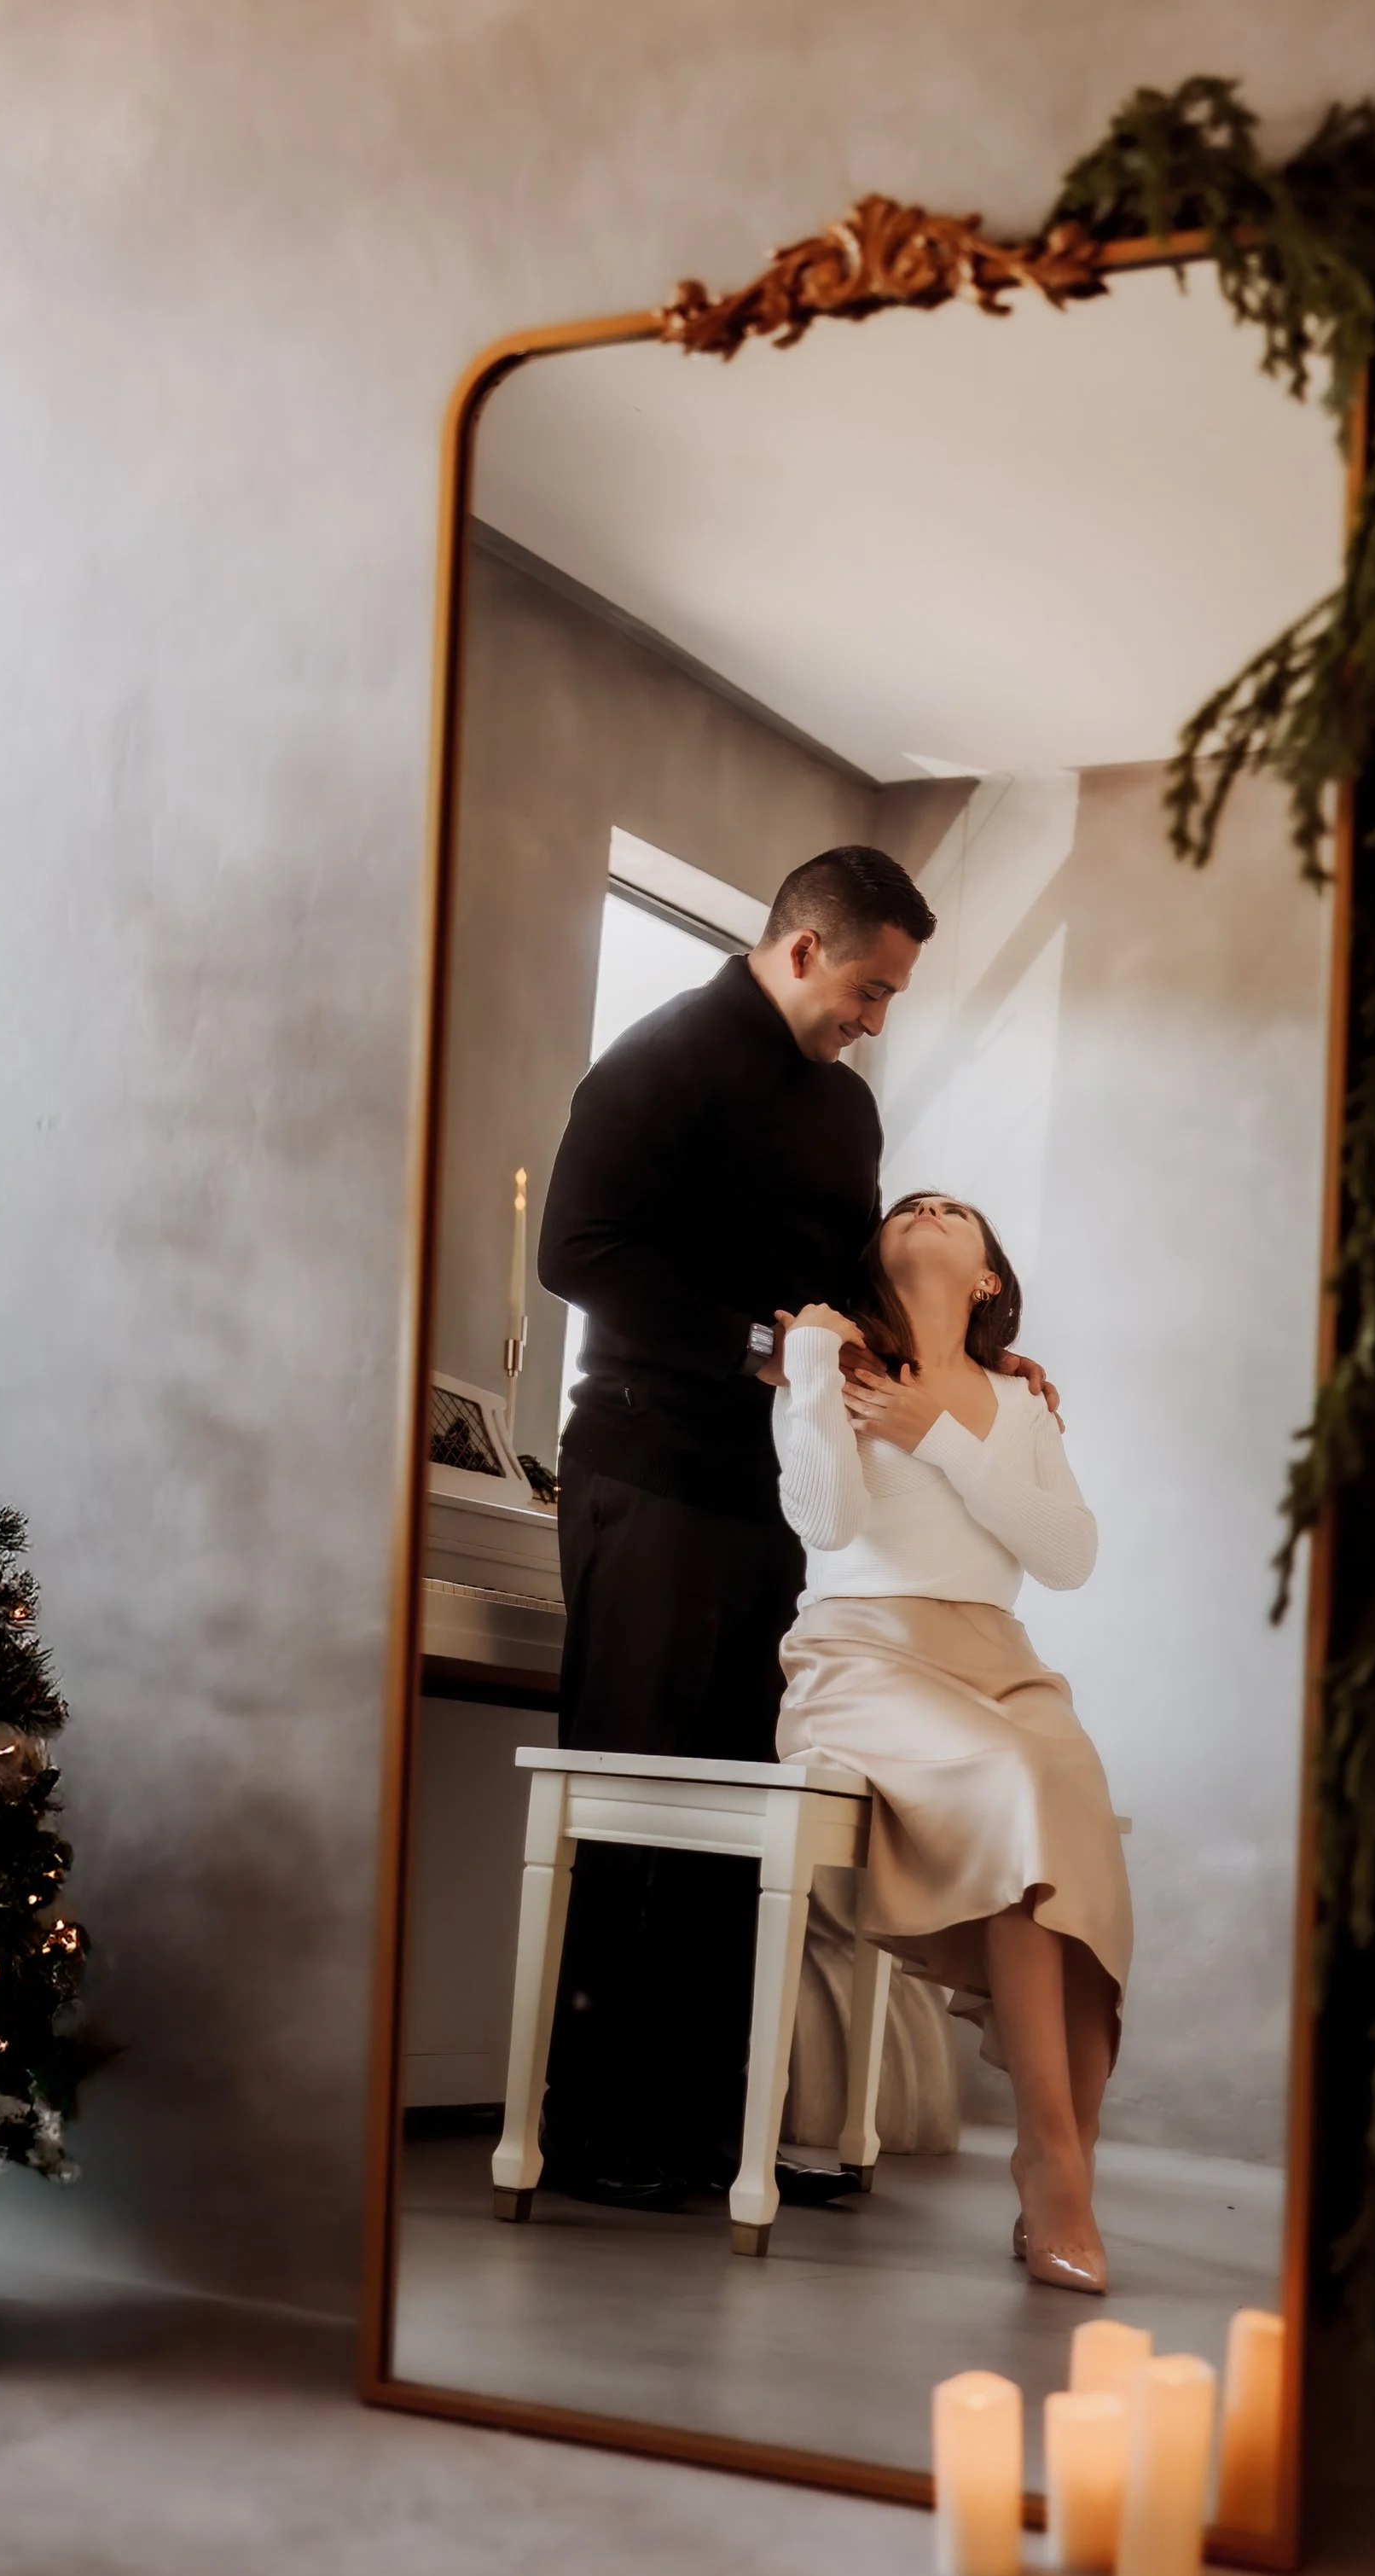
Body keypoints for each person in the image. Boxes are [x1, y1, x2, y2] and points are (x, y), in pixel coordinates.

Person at [532, 845, 931, 2207]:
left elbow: (854, 1292)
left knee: (739, 1813)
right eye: (870, 989)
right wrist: (759, 1346)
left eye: (892, 998)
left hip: (770, 1500)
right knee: (637, 1800)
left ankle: (710, 2133)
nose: (876, 1018)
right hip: (646, 1473)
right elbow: (576, 1251)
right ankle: (592, 2132)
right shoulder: (662, 1059)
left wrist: (983, 1361)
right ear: (805, 948)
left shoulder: (847, 1113)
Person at [771, 1193, 1131, 2291]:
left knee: (1066, 1791)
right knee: (1021, 1779)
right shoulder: (833, 1369)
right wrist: (808, 1372)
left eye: (954, 1211)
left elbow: (1067, 1557)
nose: (927, 1209)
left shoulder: (1020, 1402)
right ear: (876, 1255)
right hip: (860, 1656)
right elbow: (824, 1523)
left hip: (1001, 1660)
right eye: (909, 1208)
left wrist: (939, 1434)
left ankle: (1058, 2154)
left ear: (987, 1278)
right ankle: (1054, 2169)